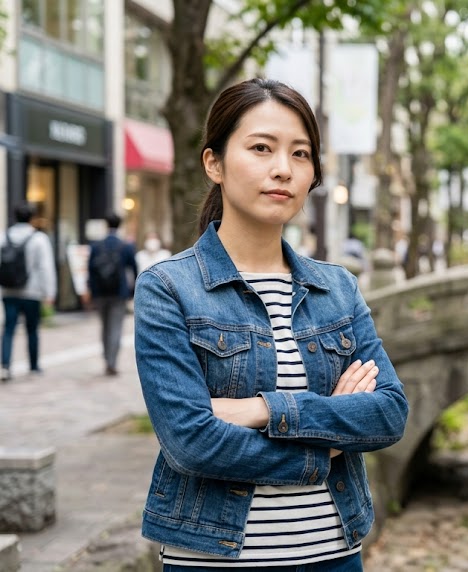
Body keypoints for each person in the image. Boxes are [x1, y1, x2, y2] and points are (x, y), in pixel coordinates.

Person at [133, 78, 408, 569]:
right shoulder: (169, 288)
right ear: (214, 163)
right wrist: (323, 449)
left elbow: (387, 413)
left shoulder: (336, 288)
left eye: (300, 154)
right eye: (261, 148)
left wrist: (262, 410)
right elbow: (190, 441)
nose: (283, 168)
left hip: (334, 554)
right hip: (214, 559)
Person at [0, 203, 57, 381]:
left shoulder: (4, 237)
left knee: (8, 329)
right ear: (32, 217)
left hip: (8, 290)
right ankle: (33, 365)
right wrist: (49, 292)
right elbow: (46, 267)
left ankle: (5, 365)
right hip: (32, 291)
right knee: (32, 329)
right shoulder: (39, 239)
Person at [84, 213, 138, 376]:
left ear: (106, 225)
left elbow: (90, 271)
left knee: (104, 326)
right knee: (115, 327)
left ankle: (107, 358)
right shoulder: (125, 246)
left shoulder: (96, 246)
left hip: (100, 293)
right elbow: (134, 269)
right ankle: (112, 362)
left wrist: (91, 291)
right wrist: (133, 291)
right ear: (120, 225)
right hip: (119, 293)